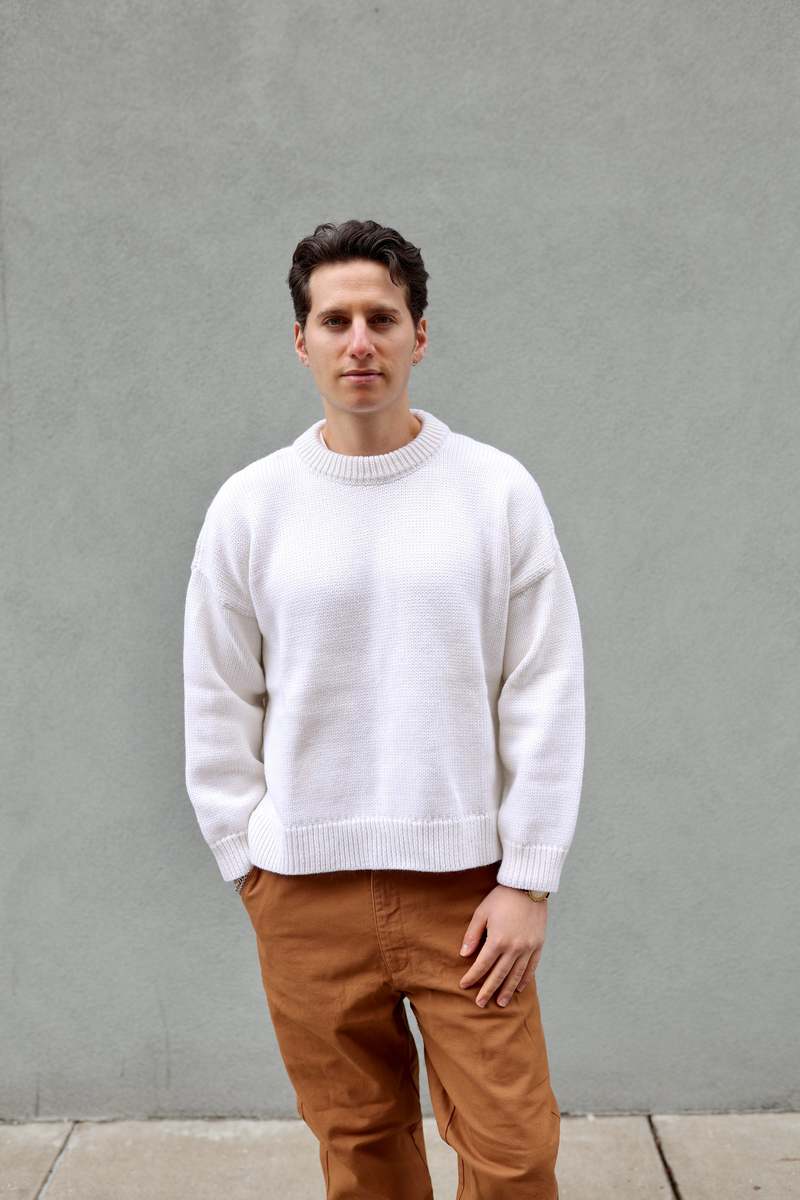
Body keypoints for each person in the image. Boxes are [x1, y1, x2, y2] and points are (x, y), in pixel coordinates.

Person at [182, 218, 585, 1199]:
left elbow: (542, 687)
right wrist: (247, 863)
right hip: (304, 891)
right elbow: (217, 691)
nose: (358, 341)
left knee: (513, 1154)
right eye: (335, 321)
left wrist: (528, 880)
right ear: (301, 340)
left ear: (419, 336)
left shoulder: (493, 491)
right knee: (361, 1155)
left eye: (381, 318)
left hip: (468, 893)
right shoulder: (252, 506)